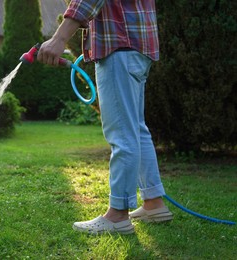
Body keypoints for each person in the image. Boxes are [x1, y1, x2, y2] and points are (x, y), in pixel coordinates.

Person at [37, 0, 173, 235]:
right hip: (137, 48)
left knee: (122, 133)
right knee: (136, 129)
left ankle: (118, 215)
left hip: (118, 46)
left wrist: (59, 38)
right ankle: (154, 203)